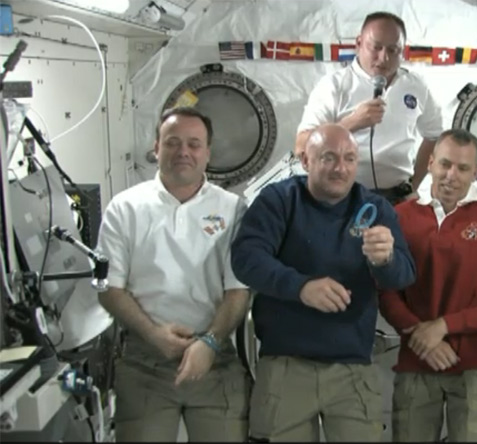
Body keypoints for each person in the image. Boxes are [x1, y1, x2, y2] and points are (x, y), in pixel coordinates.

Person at [231, 123, 416, 442]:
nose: (340, 168)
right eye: (328, 157)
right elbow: (246, 258)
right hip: (286, 367)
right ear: (306, 161)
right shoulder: (280, 200)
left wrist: (386, 259)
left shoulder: (374, 209)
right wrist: (300, 287)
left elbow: (403, 276)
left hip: (352, 369)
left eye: (349, 158)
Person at [96, 107, 251, 442]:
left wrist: (209, 343)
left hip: (215, 360)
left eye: (194, 144)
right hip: (144, 365)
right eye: (173, 142)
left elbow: (238, 291)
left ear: (208, 153)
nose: (183, 151)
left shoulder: (233, 209)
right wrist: (154, 335)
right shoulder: (124, 208)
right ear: (156, 148)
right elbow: (109, 288)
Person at [379, 129, 477, 442]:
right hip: (416, 362)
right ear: (430, 163)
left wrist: (442, 327)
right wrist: (422, 336)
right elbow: (386, 291)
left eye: (463, 168)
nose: (451, 175)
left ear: (475, 173)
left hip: (474, 368)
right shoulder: (400, 217)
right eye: (445, 164)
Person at [295, 11, 443, 204]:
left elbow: (435, 135)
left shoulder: (416, 86)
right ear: (358, 43)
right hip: (343, 199)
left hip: (400, 199)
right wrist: (351, 123)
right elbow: (301, 145)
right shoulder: (334, 85)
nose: (383, 58)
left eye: (393, 50)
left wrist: (414, 183)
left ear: (403, 51)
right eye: (376, 47)